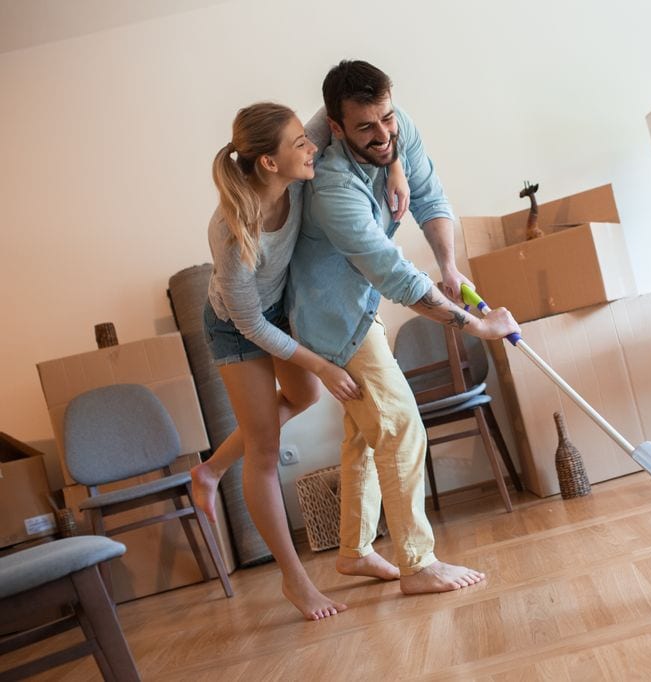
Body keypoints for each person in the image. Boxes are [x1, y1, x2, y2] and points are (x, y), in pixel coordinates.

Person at [288, 59, 521, 595]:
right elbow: (395, 276)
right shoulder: (331, 186)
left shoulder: (396, 128)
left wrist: (450, 267)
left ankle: (354, 551)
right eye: (365, 127)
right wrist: (478, 327)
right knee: (399, 426)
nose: (383, 134)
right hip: (331, 318)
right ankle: (417, 565)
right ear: (336, 127)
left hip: (359, 302)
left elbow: (430, 195)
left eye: (387, 118)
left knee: (366, 434)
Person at [192, 101, 410, 620]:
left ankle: (210, 469)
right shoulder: (231, 230)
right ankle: (296, 581)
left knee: (303, 396)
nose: (312, 146)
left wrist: (396, 165)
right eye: (300, 144)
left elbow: (353, 108)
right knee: (264, 450)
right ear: (270, 162)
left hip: (278, 309)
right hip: (236, 327)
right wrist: (323, 364)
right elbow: (250, 324)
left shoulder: (296, 158)